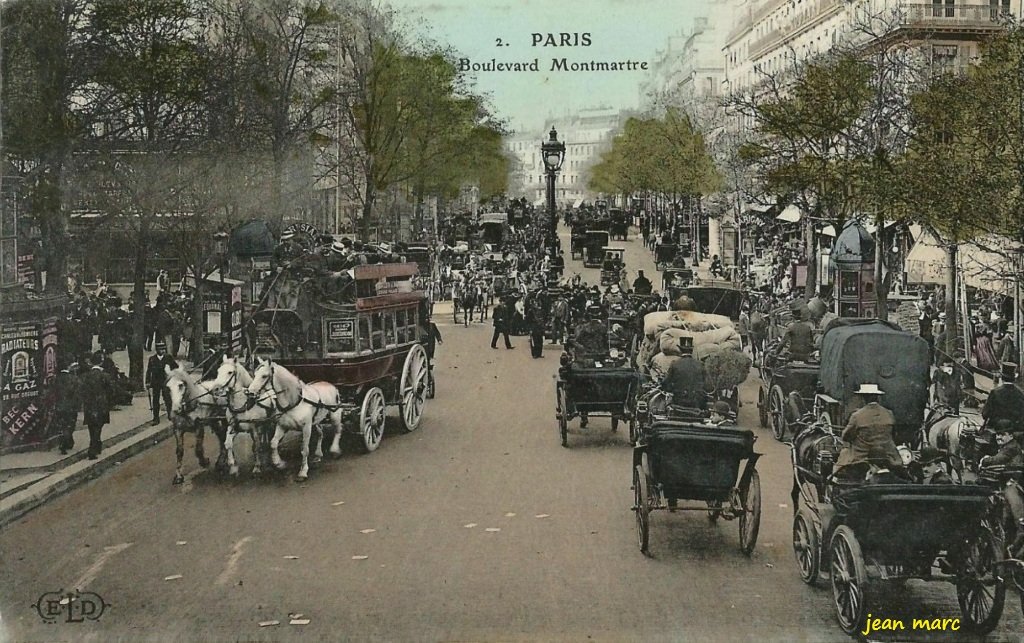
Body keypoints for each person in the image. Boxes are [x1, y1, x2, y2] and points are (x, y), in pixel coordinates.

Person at [834, 384, 903, 479]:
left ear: (863, 398)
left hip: (861, 458)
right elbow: (894, 434)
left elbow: (845, 436)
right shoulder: (888, 413)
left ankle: (832, 480)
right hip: (888, 456)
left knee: (841, 461)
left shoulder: (857, 416)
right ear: (877, 397)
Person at [79, 353, 116, 459]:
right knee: (98, 426)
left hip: (89, 405)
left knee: (91, 426)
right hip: (101, 404)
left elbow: (81, 390)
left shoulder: (85, 376)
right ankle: (94, 447)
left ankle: (96, 443)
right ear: (101, 362)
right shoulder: (105, 376)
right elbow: (112, 390)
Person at [661, 336, 707, 411]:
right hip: (697, 403)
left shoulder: (675, 364)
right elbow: (707, 385)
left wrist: (670, 389)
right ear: (692, 350)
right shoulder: (700, 364)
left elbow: (666, 383)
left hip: (679, 402)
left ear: (680, 350)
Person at [982, 362, 1024, 433]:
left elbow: (985, 414)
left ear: (1002, 378)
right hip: (1014, 428)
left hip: (997, 427)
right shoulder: (1020, 393)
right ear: (1014, 378)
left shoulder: (994, 392)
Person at [146, 341, 178, 425]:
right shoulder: (152, 359)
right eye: (160, 349)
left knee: (167, 399)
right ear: (157, 350)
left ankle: (170, 414)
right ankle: (156, 418)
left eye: (163, 349)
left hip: (166, 381)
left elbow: (176, 367)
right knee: (155, 400)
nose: (162, 351)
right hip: (155, 382)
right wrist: (147, 382)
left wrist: (173, 375)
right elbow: (149, 371)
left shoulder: (168, 357)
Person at [52, 362, 81, 455]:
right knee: (70, 425)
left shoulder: (56, 379)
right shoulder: (74, 378)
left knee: (62, 425)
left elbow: (53, 393)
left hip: (59, 406)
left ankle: (65, 441)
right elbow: (77, 393)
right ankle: (65, 442)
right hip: (71, 407)